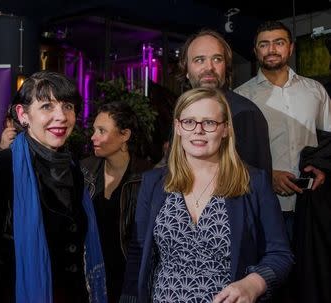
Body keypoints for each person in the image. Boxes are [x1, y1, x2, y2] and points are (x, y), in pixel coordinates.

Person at [120, 87, 293, 303]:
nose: (198, 130)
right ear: (178, 127)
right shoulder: (153, 183)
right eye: (189, 121)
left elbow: (280, 254)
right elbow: (138, 253)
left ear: (226, 129)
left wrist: (254, 283)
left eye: (209, 123)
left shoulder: (253, 182)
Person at [0, 71, 107, 303]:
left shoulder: (74, 169)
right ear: (23, 114)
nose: (62, 116)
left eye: (68, 106)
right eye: (47, 106)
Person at [235, 20, 331, 302]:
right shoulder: (241, 98)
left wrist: (322, 168)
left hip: (310, 204)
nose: (271, 49)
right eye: (264, 44)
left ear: (290, 48)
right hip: (263, 206)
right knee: (268, 282)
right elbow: (233, 154)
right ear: (255, 51)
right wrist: (268, 174)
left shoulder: (315, 91)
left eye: (278, 42)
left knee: (309, 279)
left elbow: (328, 140)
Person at [81, 101, 153, 303]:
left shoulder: (147, 177)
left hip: (129, 282)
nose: (93, 137)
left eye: (101, 131)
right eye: (94, 130)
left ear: (125, 135)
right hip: (91, 279)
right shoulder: (84, 171)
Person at [178, 29, 272, 176]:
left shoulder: (245, 113)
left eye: (217, 59)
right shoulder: (182, 112)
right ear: (186, 70)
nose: (209, 67)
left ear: (226, 68)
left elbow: (257, 184)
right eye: (199, 60)